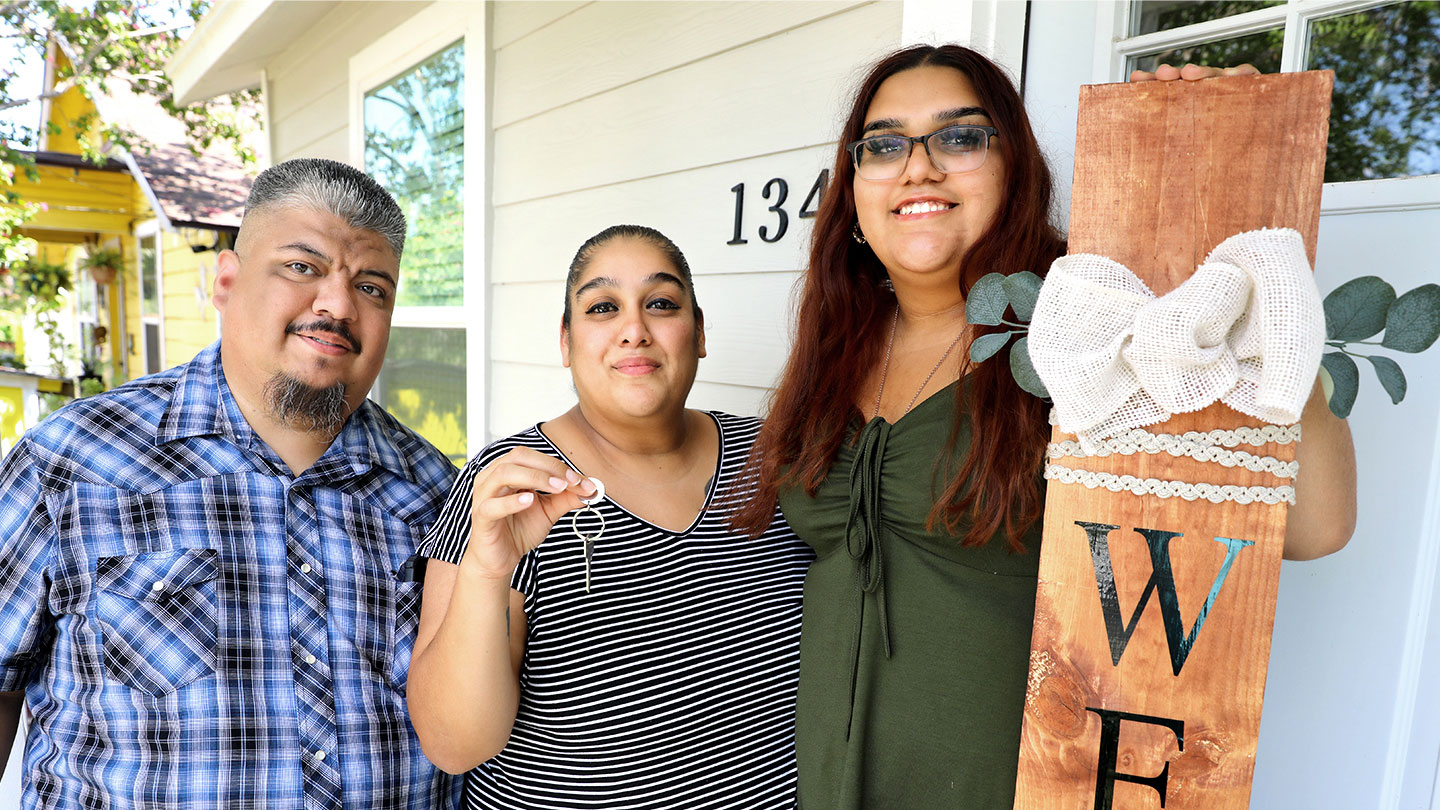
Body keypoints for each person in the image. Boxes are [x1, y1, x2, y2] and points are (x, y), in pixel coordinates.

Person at [736, 46, 1359, 808]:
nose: (918, 167)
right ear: (855, 189)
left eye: (960, 137)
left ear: (1017, 167)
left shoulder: (1092, 330)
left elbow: (1315, 528)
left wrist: (1243, 222)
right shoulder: (835, 346)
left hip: (1015, 780)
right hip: (830, 780)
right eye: (885, 143)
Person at [0, 158, 459, 808]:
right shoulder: (72, 461)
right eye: (303, 267)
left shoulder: (436, 495)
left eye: (373, 287)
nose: (337, 304)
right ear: (226, 279)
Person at [407, 225, 814, 809]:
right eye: (603, 307)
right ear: (567, 342)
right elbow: (453, 744)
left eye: (662, 304)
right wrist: (486, 572)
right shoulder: (513, 484)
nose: (634, 330)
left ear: (698, 333)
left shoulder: (773, 460)